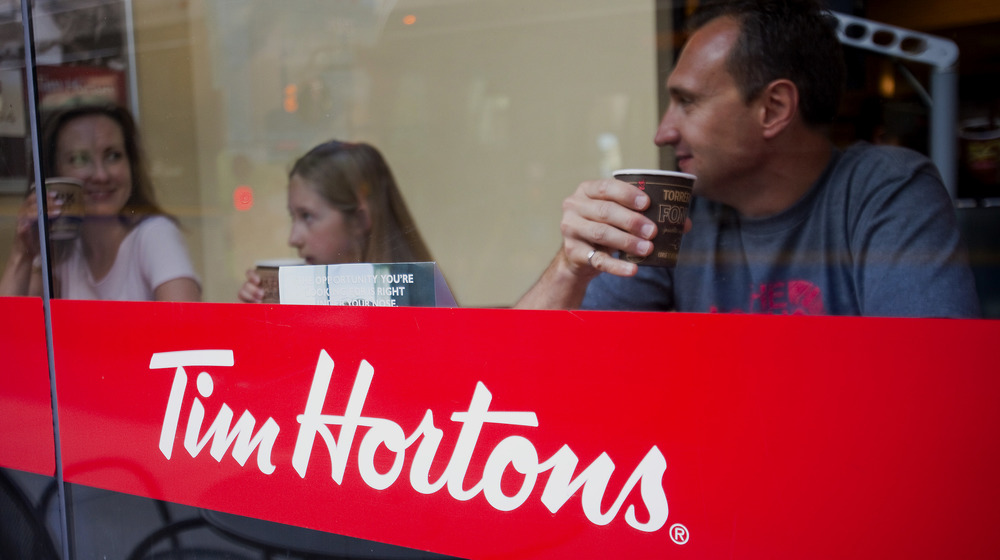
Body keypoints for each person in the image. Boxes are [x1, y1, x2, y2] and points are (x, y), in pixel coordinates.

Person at [517, 0, 980, 318]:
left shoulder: (886, 191)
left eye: (688, 101)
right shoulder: (679, 209)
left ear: (773, 109)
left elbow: (931, 389)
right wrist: (569, 269)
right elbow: (511, 375)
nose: (664, 131)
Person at [0, 102, 201, 301]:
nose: (101, 175)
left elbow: (187, 330)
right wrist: (23, 253)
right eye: (79, 159)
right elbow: (8, 329)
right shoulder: (65, 253)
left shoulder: (154, 234)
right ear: (54, 173)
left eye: (113, 156)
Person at [238, 140, 433, 303]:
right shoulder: (305, 292)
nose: (293, 239)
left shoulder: (421, 300)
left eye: (307, 216)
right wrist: (260, 317)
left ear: (359, 221)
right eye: (293, 216)